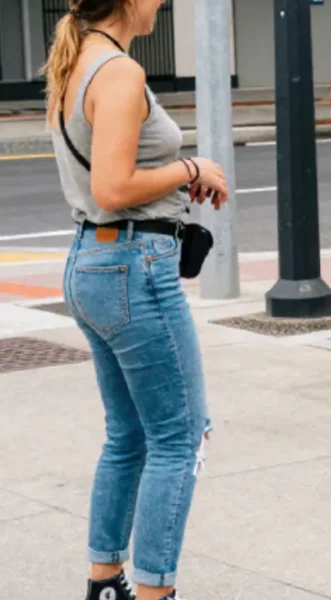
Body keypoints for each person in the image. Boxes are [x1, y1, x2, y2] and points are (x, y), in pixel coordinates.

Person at [42, 1, 230, 598]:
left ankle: (105, 583)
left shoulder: (74, 64)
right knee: (180, 437)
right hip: (133, 267)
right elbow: (113, 186)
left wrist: (174, 173)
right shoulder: (120, 72)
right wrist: (190, 166)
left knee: (128, 434)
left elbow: (107, 180)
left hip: (92, 260)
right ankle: (155, 592)